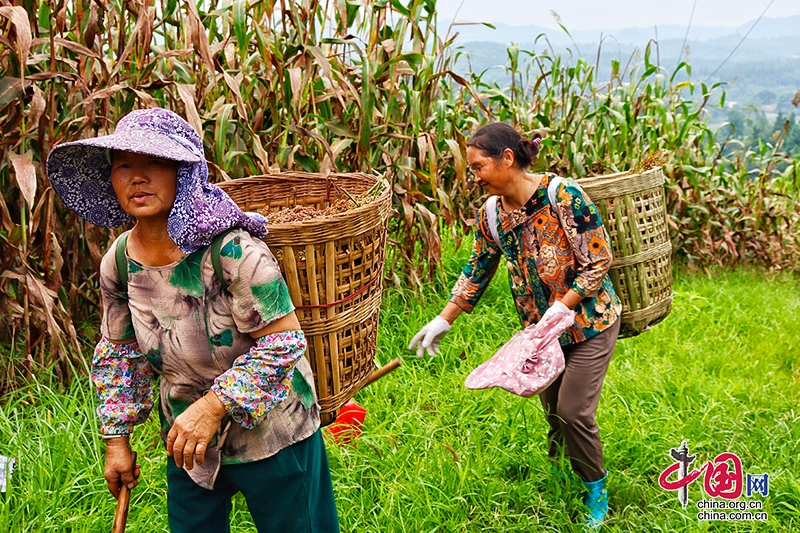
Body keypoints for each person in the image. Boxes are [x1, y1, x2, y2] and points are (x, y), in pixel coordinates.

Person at [46, 108, 339, 533]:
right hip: (187, 440)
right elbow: (120, 355)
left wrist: (213, 406)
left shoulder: (232, 251)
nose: (137, 178)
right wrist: (117, 442)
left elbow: (284, 343)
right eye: (123, 166)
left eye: (154, 163)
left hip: (275, 432)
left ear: (183, 175)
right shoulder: (119, 260)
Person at [408, 122, 622, 528]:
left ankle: (596, 489)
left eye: (478, 167)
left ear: (508, 158)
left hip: (589, 322)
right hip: (540, 333)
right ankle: (562, 479)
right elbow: (477, 268)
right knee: (553, 414)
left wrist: (560, 311)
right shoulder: (491, 213)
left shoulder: (563, 195)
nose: (474, 177)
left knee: (573, 411)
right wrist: (443, 319)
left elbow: (597, 261)